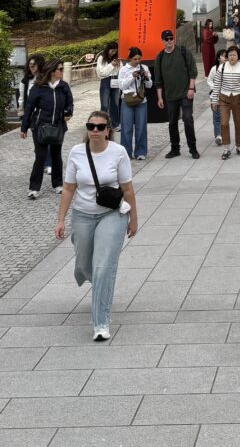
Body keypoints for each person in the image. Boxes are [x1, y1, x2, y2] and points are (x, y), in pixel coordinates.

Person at [55, 109, 137, 341]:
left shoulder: (118, 153)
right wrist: (60, 220)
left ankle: (101, 323)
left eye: (100, 127)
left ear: (108, 130)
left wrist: (134, 219)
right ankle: (100, 283)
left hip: (111, 215)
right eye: (91, 126)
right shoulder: (76, 153)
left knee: (103, 268)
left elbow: (128, 189)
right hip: (82, 215)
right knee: (83, 265)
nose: (95, 131)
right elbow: (69, 188)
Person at [21, 59, 74, 198]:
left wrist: (68, 113)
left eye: (63, 69)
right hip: (40, 126)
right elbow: (29, 108)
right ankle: (34, 188)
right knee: (41, 156)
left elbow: (70, 104)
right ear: (52, 71)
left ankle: (57, 184)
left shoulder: (64, 86)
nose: (62, 71)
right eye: (60, 69)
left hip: (58, 126)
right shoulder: (38, 87)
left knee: (57, 156)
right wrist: (24, 127)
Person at [154, 29, 200, 160]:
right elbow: (158, 80)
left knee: (187, 119)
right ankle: (175, 148)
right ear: (162, 41)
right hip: (169, 95)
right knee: (172, 122)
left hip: (186, 93)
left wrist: (191, 88)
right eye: (166, 39)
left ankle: (193, 148)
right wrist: (159, 97)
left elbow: (193, 71)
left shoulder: (183, 51)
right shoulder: (160, 57)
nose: (169, 41)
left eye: (171, 38)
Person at [209, 44, 240, 159]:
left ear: (238, 56)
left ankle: (239, 146)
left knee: (238, 123)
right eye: (230, 55)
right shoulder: (222, 67)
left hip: (238, 98)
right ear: (227, 56)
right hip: (224, 98)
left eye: (234, 55)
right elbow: (216, 84)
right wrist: (214, 100)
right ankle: (226, 148)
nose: (232, 57)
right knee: (224, 123)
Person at [118, 47, 153, 160]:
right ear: (130, 58)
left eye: (139, 59)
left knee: (141, 127)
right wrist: (132, 77)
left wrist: (147, 77)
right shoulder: (124, 69)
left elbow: (149, 86)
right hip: (127, 100)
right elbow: (122, 86)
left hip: (141, 100)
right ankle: (126, 153)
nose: (137, 61)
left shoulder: (144, 68)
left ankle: (140, 152)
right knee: (126, 128)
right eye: (135, 59)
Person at [96, 41, 122, 131]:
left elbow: (120, 71)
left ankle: (115, 124)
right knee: (104, 105)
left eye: (115, 51)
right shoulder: (101, 58)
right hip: (105, 81)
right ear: (108, 50)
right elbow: (101, 73)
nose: (113, 53)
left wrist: (117, 65)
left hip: (115, 80)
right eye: (112, 51)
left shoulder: (117, 58)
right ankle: (102, 124)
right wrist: (111, 65)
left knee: (115, 104)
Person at [207, 48, 228, 145]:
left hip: (226, 96)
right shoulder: (214, 69)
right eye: (223, 56)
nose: (225, 58)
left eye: (226, 56)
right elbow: (209, 80)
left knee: (224, 117)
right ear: (219, 58)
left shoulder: (230, 68)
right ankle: (218, 135)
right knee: (216, 116)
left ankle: (224, 134)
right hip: (214, 96)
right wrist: (216, 88)